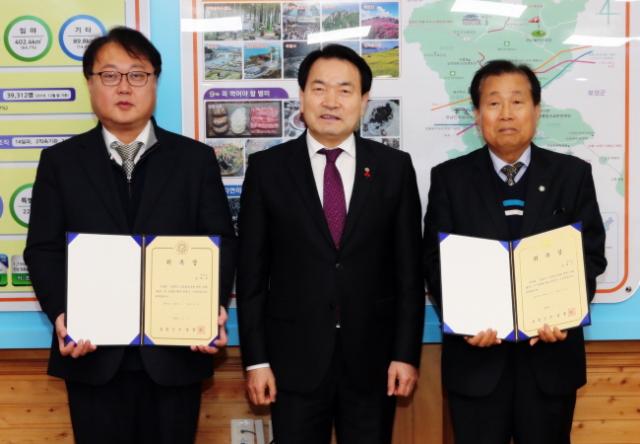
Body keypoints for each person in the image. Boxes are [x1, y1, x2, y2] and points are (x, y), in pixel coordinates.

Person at [24, 27, 235, 444]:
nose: (124, 87)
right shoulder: (60, 162)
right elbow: (44, 249)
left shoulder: (195, 160)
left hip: (176, 355)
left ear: (155, 81)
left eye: (137, 75)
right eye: (110, 75)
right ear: (90, 83)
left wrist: (208, 311)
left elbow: (220, 241)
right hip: (92, 355)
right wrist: (64, 316)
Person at [236, 44, 424, 443]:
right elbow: (251, 275)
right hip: (292, 362)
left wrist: (405, 354)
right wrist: (256, 360)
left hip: (374, 362)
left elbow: (409, 273)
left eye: (345, 90)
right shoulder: (268, 170)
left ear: (364, 100)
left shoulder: (394, 169)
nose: (331, 101)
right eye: (319, 89)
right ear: (302, 96)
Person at [423, 60, 607, 444]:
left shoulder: (572, 175)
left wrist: (566, 312)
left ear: (536, 111)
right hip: (476, 363)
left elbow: (590, 255)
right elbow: (435, 262)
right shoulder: (450, 179)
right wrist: (465, 320)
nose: (506, 113)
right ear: (477, 115)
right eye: (493, 103)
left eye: (518, 101)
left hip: (550, 363)